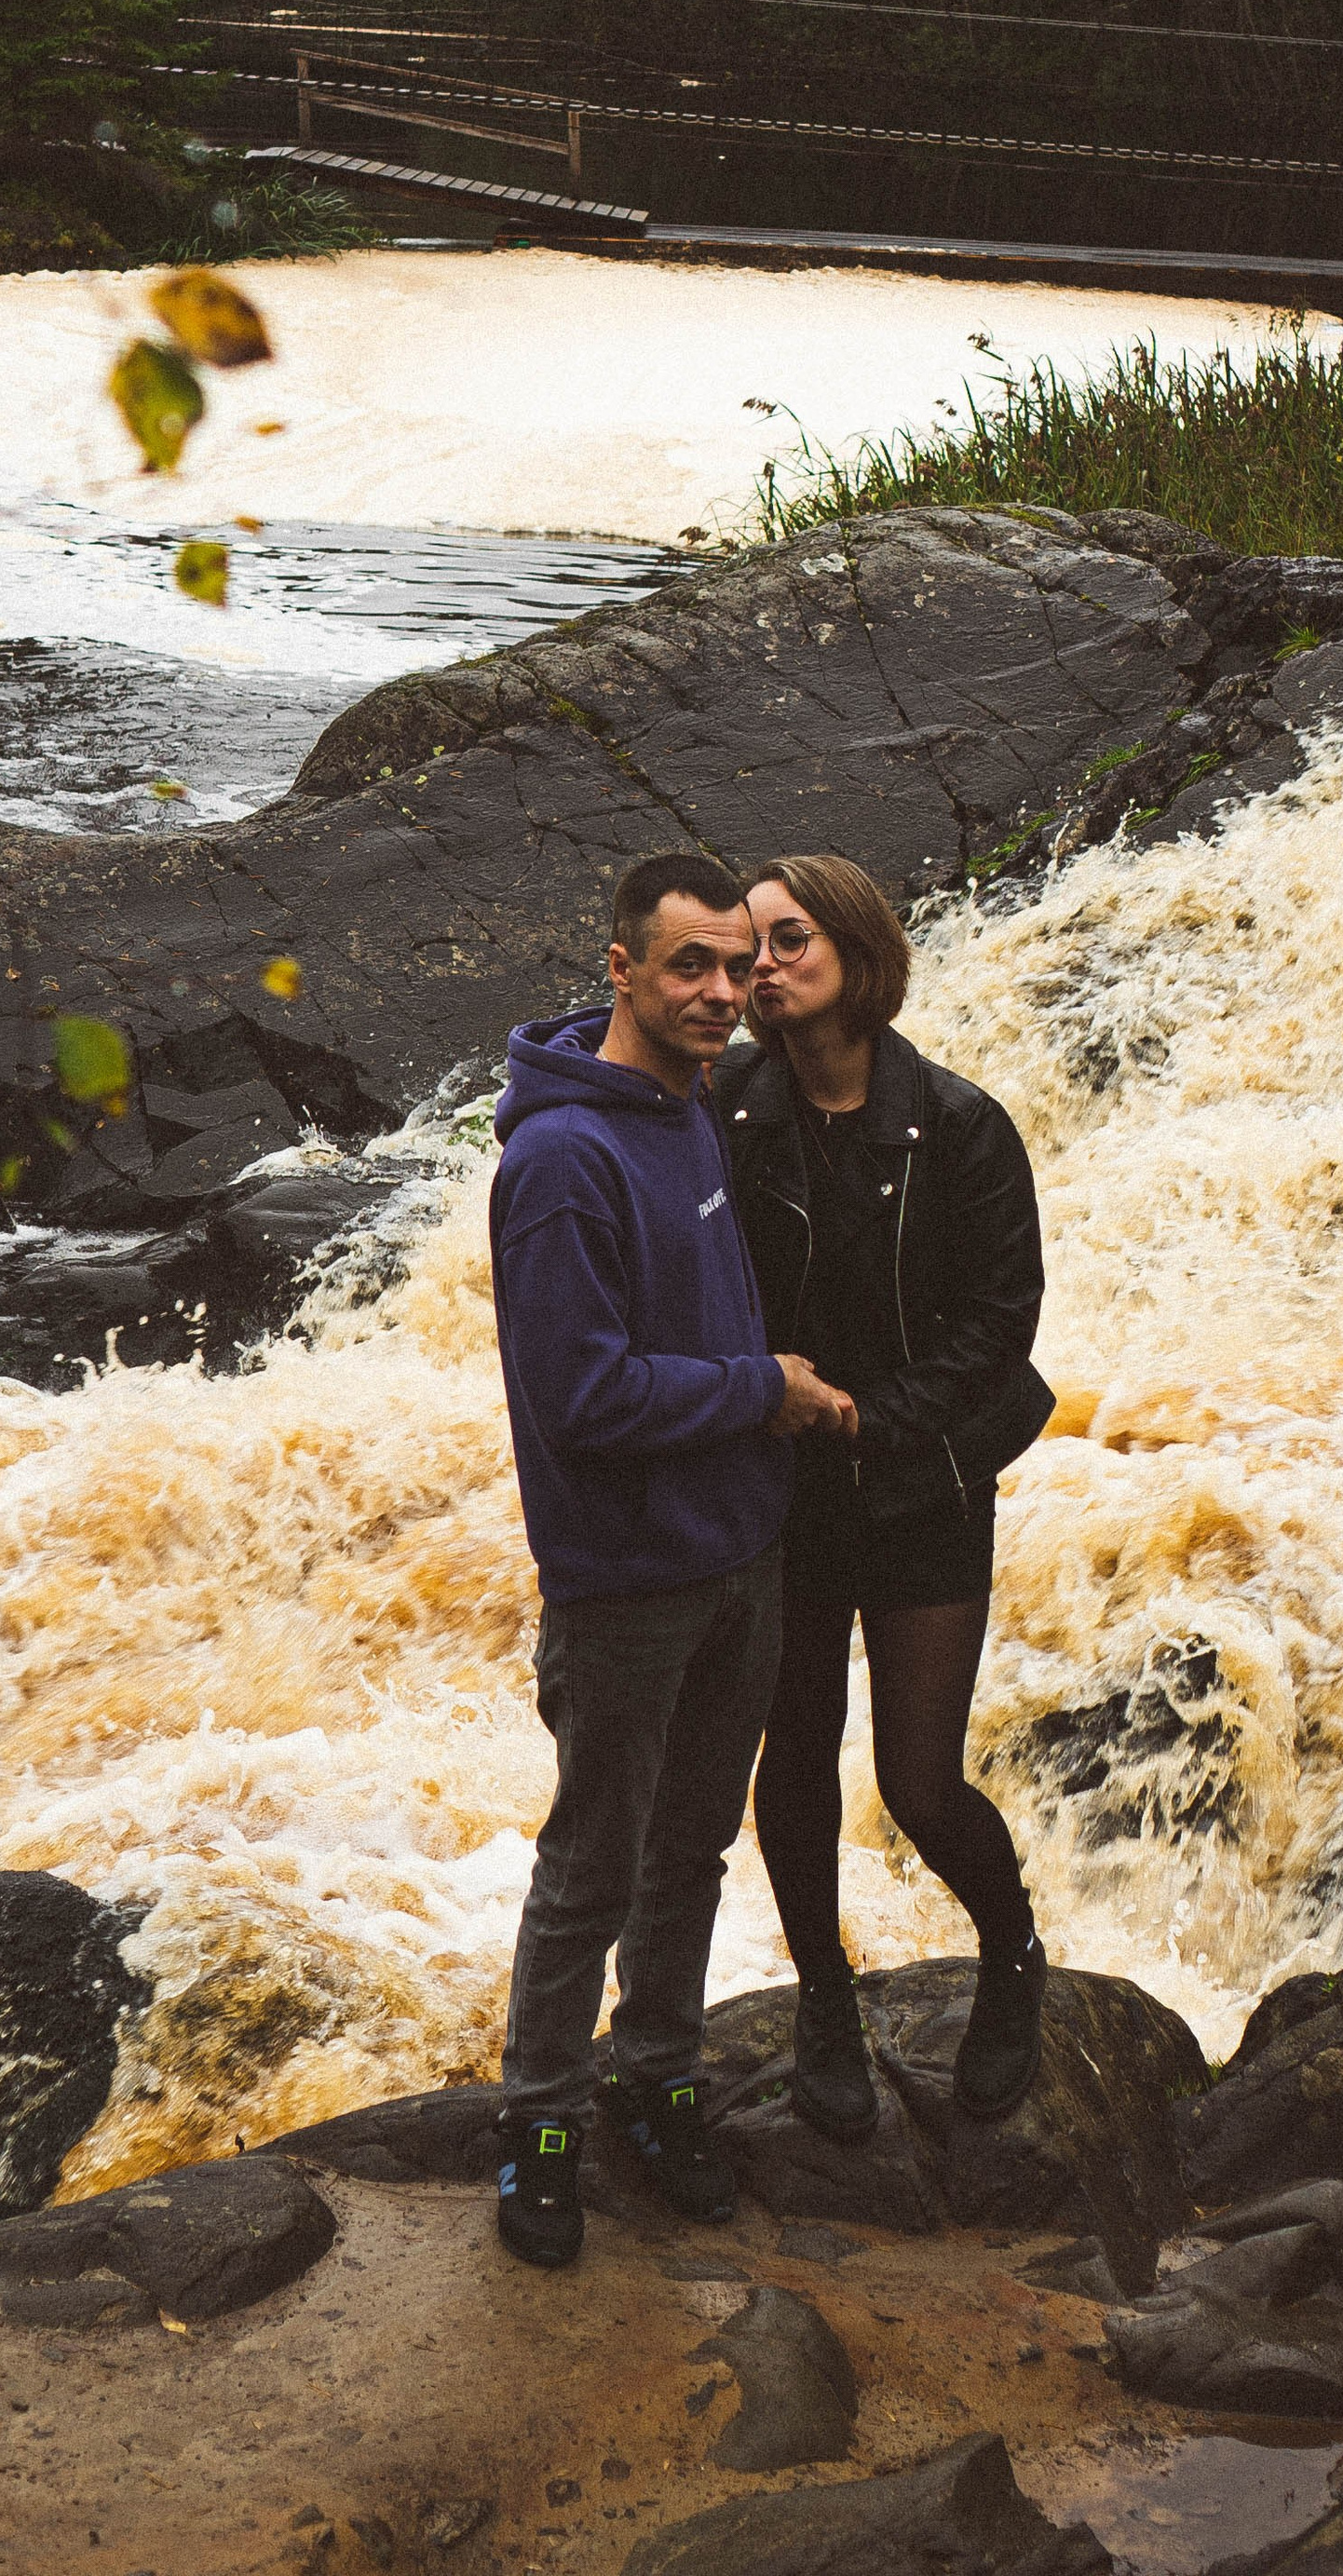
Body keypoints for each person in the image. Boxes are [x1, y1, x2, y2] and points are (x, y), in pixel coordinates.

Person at [488, 849, 858, 2270]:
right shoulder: (560, 1161)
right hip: (626, 1579)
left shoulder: (691, 1105)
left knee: (691, 1851)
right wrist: (763, 1392)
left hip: (737, 1554)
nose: (721, 991)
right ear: (622, 972)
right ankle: (539, 2126)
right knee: (593, 1864)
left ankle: (656, 2082)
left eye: (736, 966)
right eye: (689, 965)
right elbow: (582, 1396)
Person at [726, 852, 1055, 2140]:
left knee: (919, 1782)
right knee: (796, 1758)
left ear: (858, 953)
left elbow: (1000, 1321)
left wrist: (872, 1417)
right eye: (747, 948)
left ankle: (1012, 1954)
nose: (761, 967)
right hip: (783, 1488)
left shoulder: (959, 1124)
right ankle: (825, 2001)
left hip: (923, 1484)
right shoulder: (727, 1110)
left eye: (789, 940)